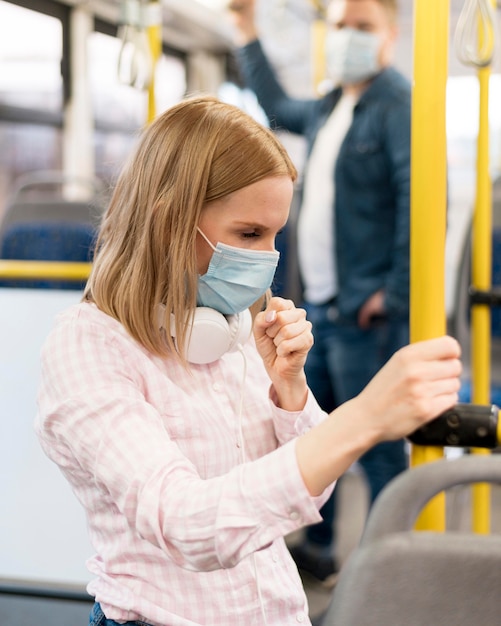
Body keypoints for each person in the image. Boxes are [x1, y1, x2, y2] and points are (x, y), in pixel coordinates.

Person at [35, 96, 461, 626]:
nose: (267, 258)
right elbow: (188, 525)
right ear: (170, 222)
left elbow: (309, 492)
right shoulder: (89, 347)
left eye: (276, 235)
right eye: (249, 235)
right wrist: (363, 416)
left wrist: (289, 392)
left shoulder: (230, 326)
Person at [228, 0, 411, 585]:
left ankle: (393, 568)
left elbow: (417, 200)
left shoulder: (396, 106)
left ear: (390, 36)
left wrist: (394, 293)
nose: (349, 38)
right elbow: (277, 107)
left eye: (364, 27)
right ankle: (327, 551)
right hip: (324, 306)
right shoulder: (334, 103)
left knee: (377, 444)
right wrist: (248, 31)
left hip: (364, 310)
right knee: (320, 438)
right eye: (341, 27)